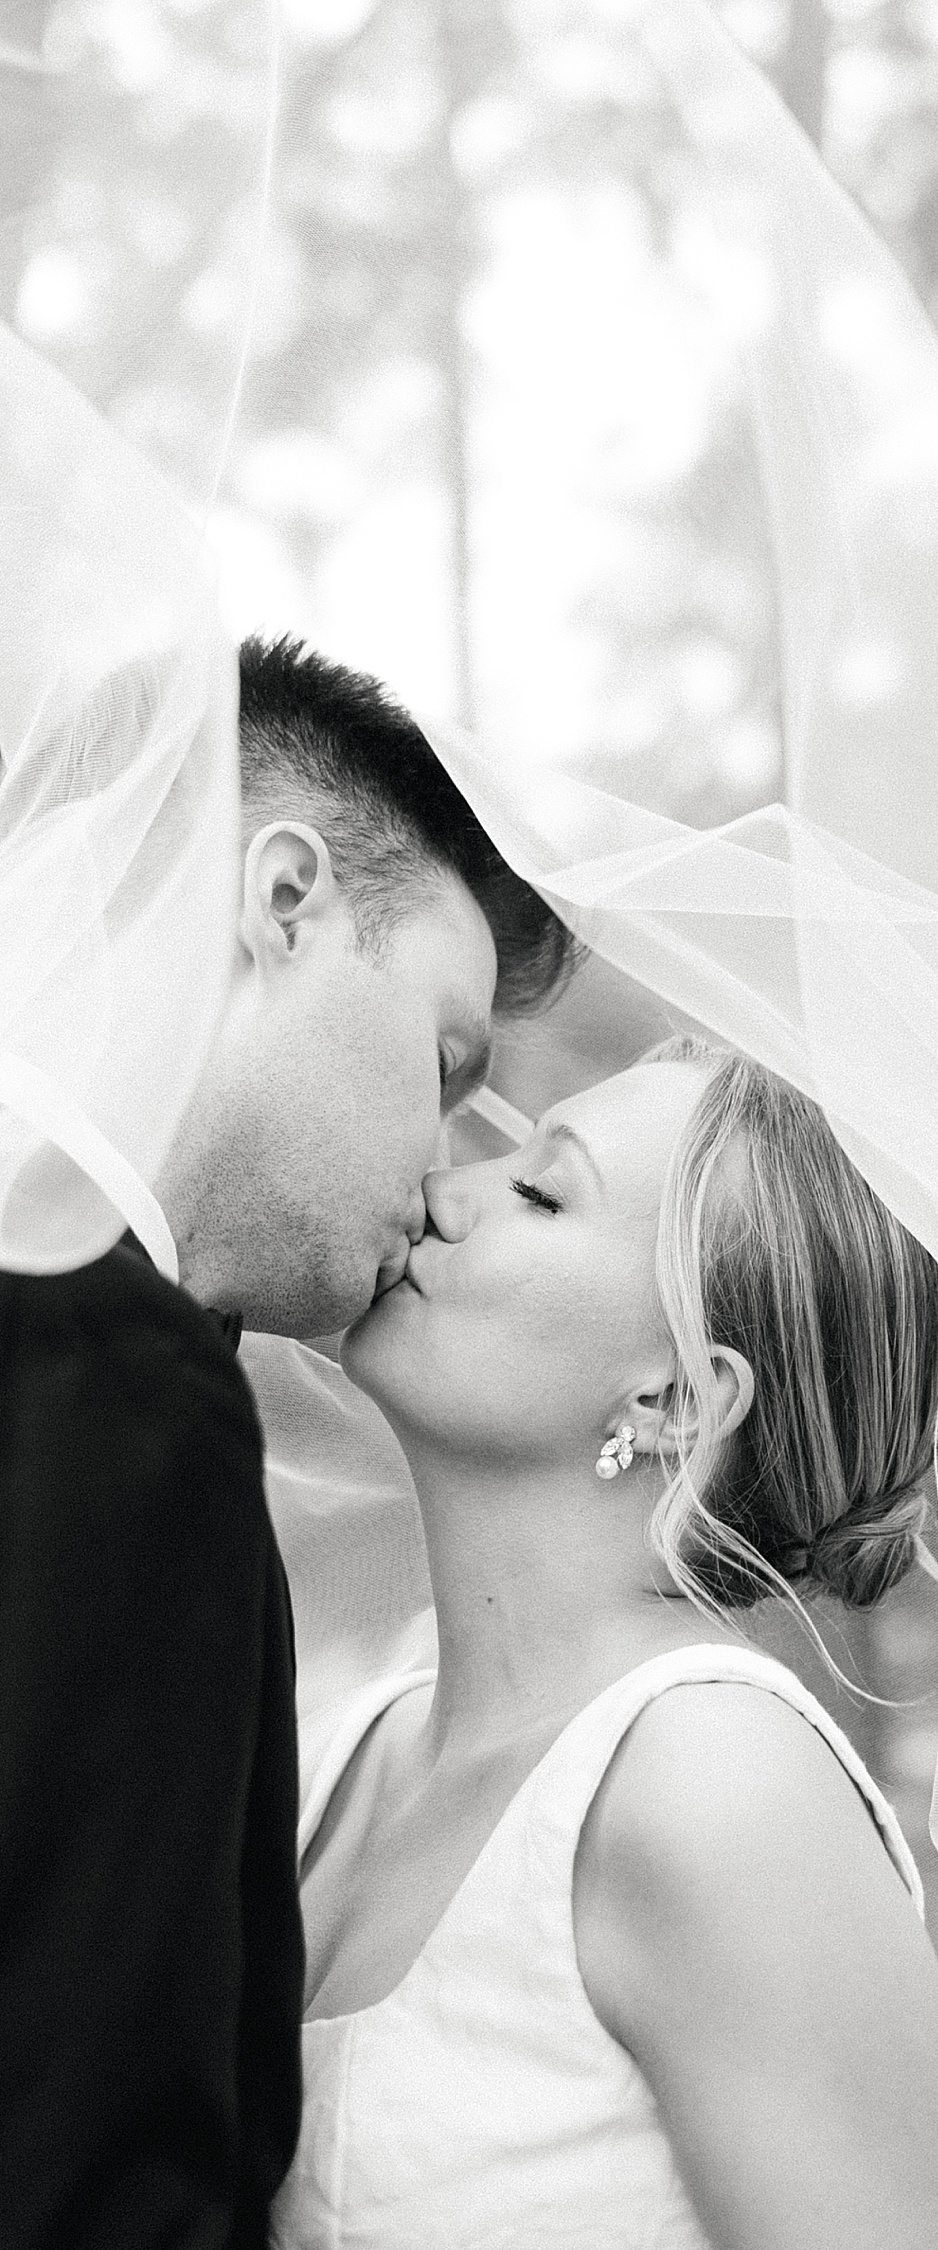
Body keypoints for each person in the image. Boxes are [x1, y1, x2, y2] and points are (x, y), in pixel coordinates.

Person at [0, 634, 574, 2250]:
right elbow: (90, 2166)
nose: (442, 1162)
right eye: (446, 1061)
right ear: (285, 900)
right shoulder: (117, 1389)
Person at [276, 1038, 938, 2250]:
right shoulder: (345, 1749)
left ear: (673, 1401)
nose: (447, 1191)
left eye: (543, 1192)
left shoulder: (718, 1788)